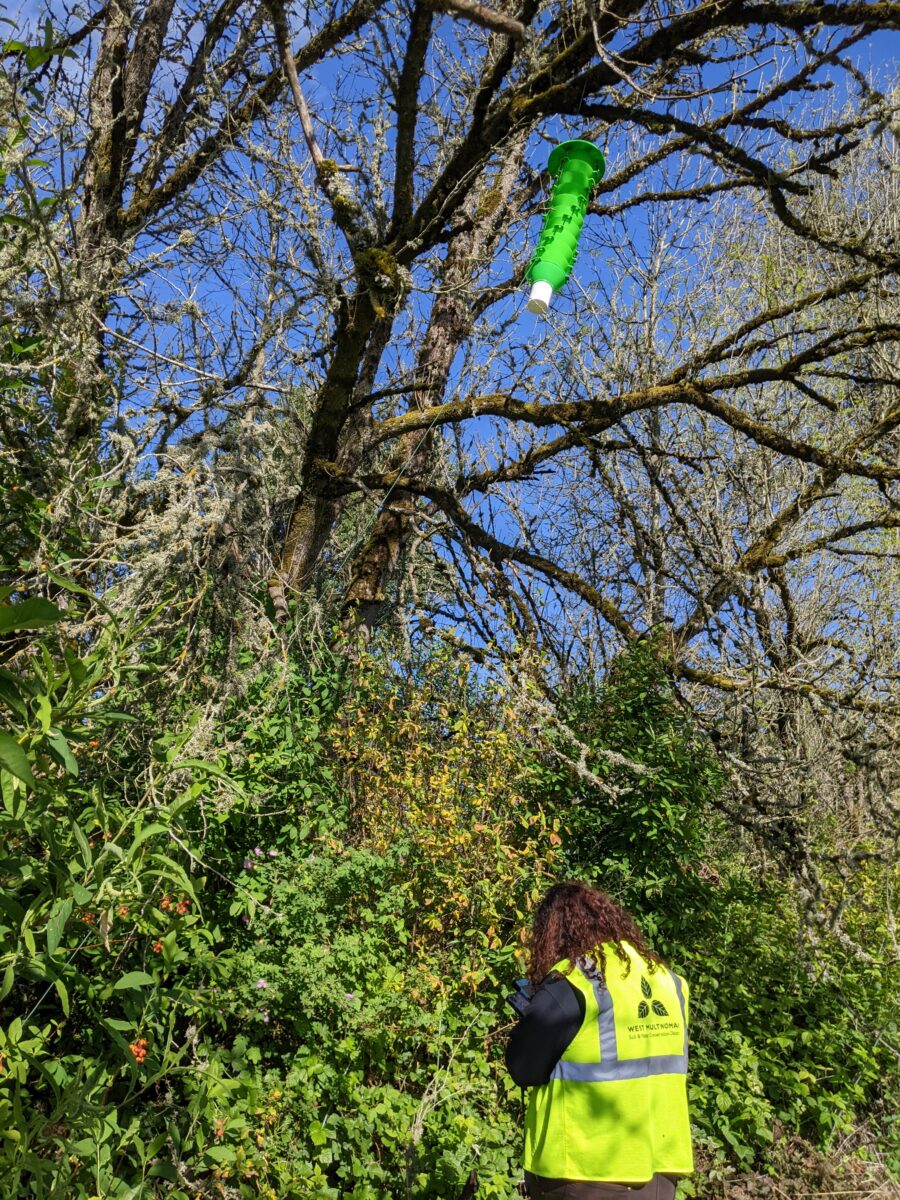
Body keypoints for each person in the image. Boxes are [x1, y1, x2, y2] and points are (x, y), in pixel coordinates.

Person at [505, 881, 693, 1200]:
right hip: (659, 1169)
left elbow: (523, 1068)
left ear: (553, 933)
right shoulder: (668, 980)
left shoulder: (574, 982)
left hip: (584, 1172)